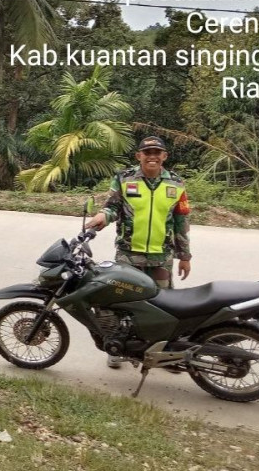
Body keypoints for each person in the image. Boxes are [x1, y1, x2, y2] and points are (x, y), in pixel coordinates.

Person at [87, 136, 191, 367]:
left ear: (164, 156)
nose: (152, 156)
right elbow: (112, 207)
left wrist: (185, 256)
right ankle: (115, 348)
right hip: (127, 254)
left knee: (164, 307)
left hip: (162, 257)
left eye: (157, 152)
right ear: (139, 156)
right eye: (147, 152)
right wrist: (103, 216)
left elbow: (181, 221)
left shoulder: (177, 183)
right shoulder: (124, 179)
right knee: (119, 302)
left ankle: (167, 354)